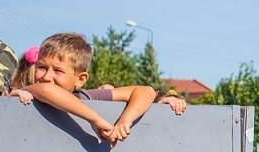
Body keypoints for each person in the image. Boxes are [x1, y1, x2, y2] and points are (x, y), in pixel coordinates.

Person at [15, 32, 180, 145]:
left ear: (81, 79)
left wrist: (125, 120)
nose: (46, 76)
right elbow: (47, 91)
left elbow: (146, 91)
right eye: (42, 67)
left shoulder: (84, 97)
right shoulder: (32, 91)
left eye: (58, 71)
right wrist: (95, 119)